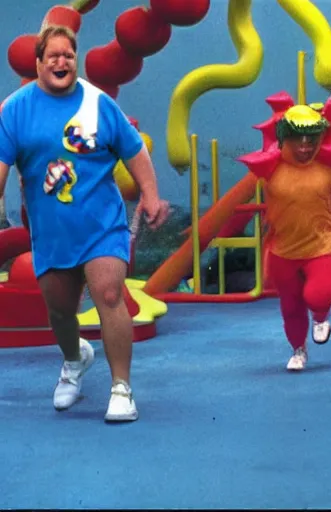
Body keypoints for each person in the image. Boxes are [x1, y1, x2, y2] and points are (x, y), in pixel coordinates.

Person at [0, 25, 170, 422]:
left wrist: (150, 194)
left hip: (102, 225)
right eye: (53, 56)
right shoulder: (16, 109)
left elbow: (134, 152)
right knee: (60, 311)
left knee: (110, 295)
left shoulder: (98, 103)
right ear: (39, 63)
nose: (61, 62)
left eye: (68, 56)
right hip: (52, 233)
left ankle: (121, 389)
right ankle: (75, 359)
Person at [255, 104, 331, 371]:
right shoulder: (271, 168)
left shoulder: (328, 171)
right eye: (298, 139)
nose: (305, 146)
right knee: (290, 307)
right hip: (283, 250)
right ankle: (298, 350)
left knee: (319, 295)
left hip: (321, 246)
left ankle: (321, 317)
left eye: (311, 140)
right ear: (285, 138)